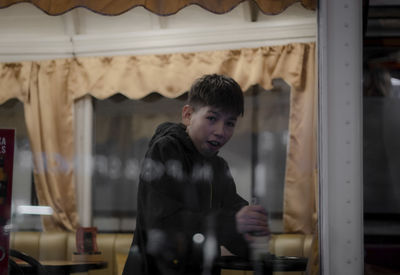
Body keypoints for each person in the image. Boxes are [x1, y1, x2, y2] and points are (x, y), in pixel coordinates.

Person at [122, 74, 269, 275]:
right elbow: (163, 223)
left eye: (230, 123)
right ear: (188, 115)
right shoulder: (166, 149)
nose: (220, 131)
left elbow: (229, 220)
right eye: (212, 118)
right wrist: (233, 221)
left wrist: (251, 231)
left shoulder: (219, 166)